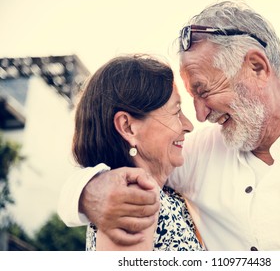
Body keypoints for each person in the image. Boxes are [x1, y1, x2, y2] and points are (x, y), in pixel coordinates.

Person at [58, 0, 280, 250]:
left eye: (203, 91)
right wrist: (88, 192)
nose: (200, 116)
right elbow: (134, 160)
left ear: (257, 67)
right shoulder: (200, 151)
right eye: (189, 99)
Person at [68, 53, 205, 251]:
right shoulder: (131, 201)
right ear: (128, 127)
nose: (189, 125)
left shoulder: (158, 194)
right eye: (176, 112)